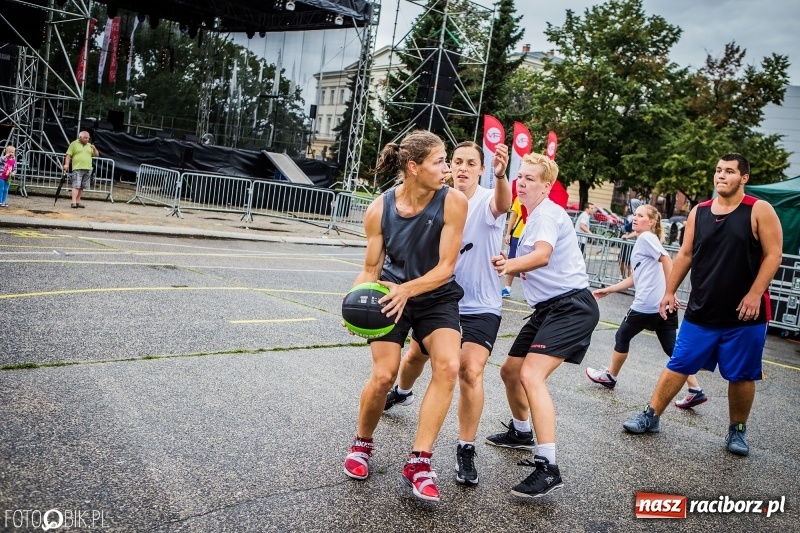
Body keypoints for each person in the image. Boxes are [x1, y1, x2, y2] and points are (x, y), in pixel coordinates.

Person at [622, 154, 783, 457]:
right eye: (719, 170)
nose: (722, 176)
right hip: (702, 309)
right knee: (678, 364)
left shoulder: (759, 210)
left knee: (742, 375)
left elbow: (774, 255)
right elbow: (684, 255)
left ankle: (737, 430)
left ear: (744, 178)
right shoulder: (700, 211)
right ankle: (651, 415)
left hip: (745, 315)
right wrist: (668, 292)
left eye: (730, 171)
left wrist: (754, 293)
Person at [342, 130, 468, 502]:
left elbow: (446, 268)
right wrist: (352, 302)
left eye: (446, 160)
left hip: (434, 296)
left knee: (448, 366)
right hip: (390, 294)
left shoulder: (453, 202)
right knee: (383, 375)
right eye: (439, 161)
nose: (447, 169)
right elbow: (370, 267)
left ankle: (419, 461)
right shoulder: (380, 208)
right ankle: (362, 443)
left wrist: (409, 289)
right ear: (413, 167)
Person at [383, 140, 511, 486]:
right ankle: (403, 392)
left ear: (482, 169)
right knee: (414, 357)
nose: (464, 167)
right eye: (457, 161)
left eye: (472, 162)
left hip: (480, 304)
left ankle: (465, 447)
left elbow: (504, 204)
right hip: (439, 298)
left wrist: (501, 177)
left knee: (469, 370)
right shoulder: (438, 196)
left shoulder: (486, 200)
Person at [487, 153, 600, 498]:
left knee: (531, 376)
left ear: (547, 185)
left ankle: (548, 468)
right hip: (546, 309)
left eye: (530, 179)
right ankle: (522, 432)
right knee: (510, 371)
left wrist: (508, 264)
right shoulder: (529, 215)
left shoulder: (547, 215)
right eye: (520, 177)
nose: (521, 183)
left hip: (570, 307)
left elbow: (542, 256)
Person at [586, 204, 707, 407]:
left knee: (622, 336)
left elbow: (667, 259)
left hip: (648, 304)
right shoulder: (643, 241)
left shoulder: (646, 238)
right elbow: (634, 278)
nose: (635, 218)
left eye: (641, 216)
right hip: (661, 305)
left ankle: (610, 377)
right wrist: (609, 289)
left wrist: (671, 291)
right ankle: (695, 390)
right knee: (671, 349)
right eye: (635, 215)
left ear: (651, 222)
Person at [63, 130, 99, 209]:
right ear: (80, 137)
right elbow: (68, 155)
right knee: (76, 185)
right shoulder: (74, 144)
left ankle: (78, 201)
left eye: (88, 138)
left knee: (82, 187)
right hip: (77, 168)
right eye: (85, 138)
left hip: (88, 168)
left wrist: (94, 149)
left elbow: (96, 155)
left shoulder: (90, 145)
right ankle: (73, 202)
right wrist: (66, 164)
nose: (87, 139)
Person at [501, 196, 525, 298]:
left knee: (530, 265)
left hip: (531, 236)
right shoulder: (519, 198)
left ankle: (529, 293)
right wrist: (508, 234)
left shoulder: (540, 200)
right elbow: (513, 216)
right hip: (517, 235)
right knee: (512, 261)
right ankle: (507, 288)